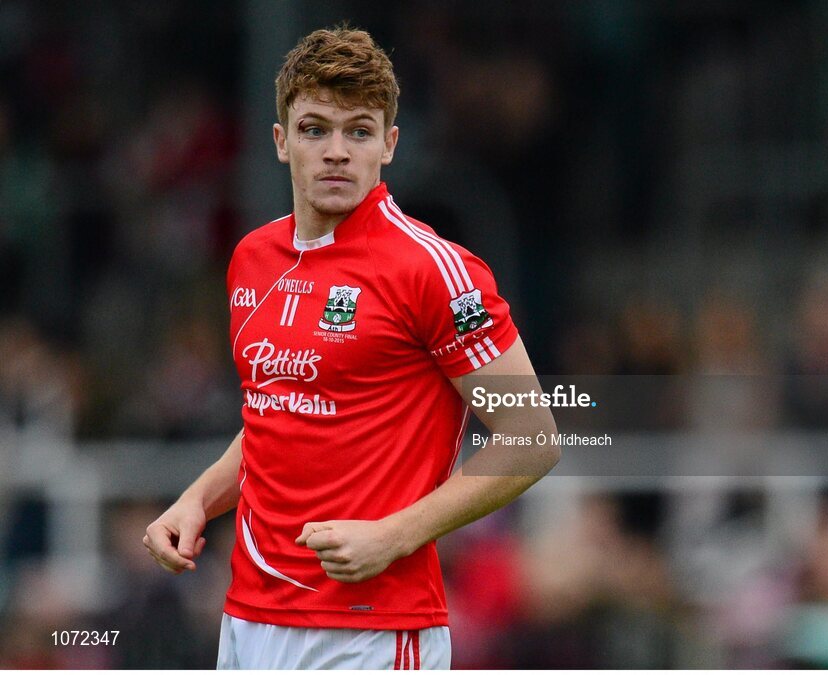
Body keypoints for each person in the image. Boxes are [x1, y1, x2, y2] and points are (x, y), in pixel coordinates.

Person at [143, 25, 559, 669]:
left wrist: (393, 536)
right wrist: (198, 498)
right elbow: (276, 415)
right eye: (314, 129)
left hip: (373, 629)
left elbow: (532, 434)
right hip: (248, 620)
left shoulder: (435, 272)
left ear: (389, 144)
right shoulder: (252, 259)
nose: (336, 151)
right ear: (281, 141)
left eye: (358, 131)